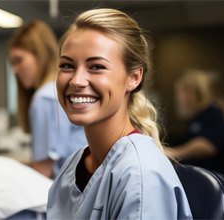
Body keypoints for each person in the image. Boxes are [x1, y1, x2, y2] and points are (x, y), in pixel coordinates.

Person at [47, 8, 192, 219]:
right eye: (67, 65)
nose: (76, 81)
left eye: (96, 67)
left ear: (133, 77)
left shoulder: (140, 175)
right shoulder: (75, 164)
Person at [8, 20, 86, 178]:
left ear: (40, 55)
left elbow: (43, 170)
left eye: (19, 60)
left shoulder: (45, 98)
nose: (15, 70)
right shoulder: (56, 92)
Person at [166, 69, 224, 175]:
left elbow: (208, 145)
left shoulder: (213, 111)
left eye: (182, 92)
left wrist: (175, 153)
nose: (179, 98)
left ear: (195, 92)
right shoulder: (197, 115)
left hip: (215, 178)